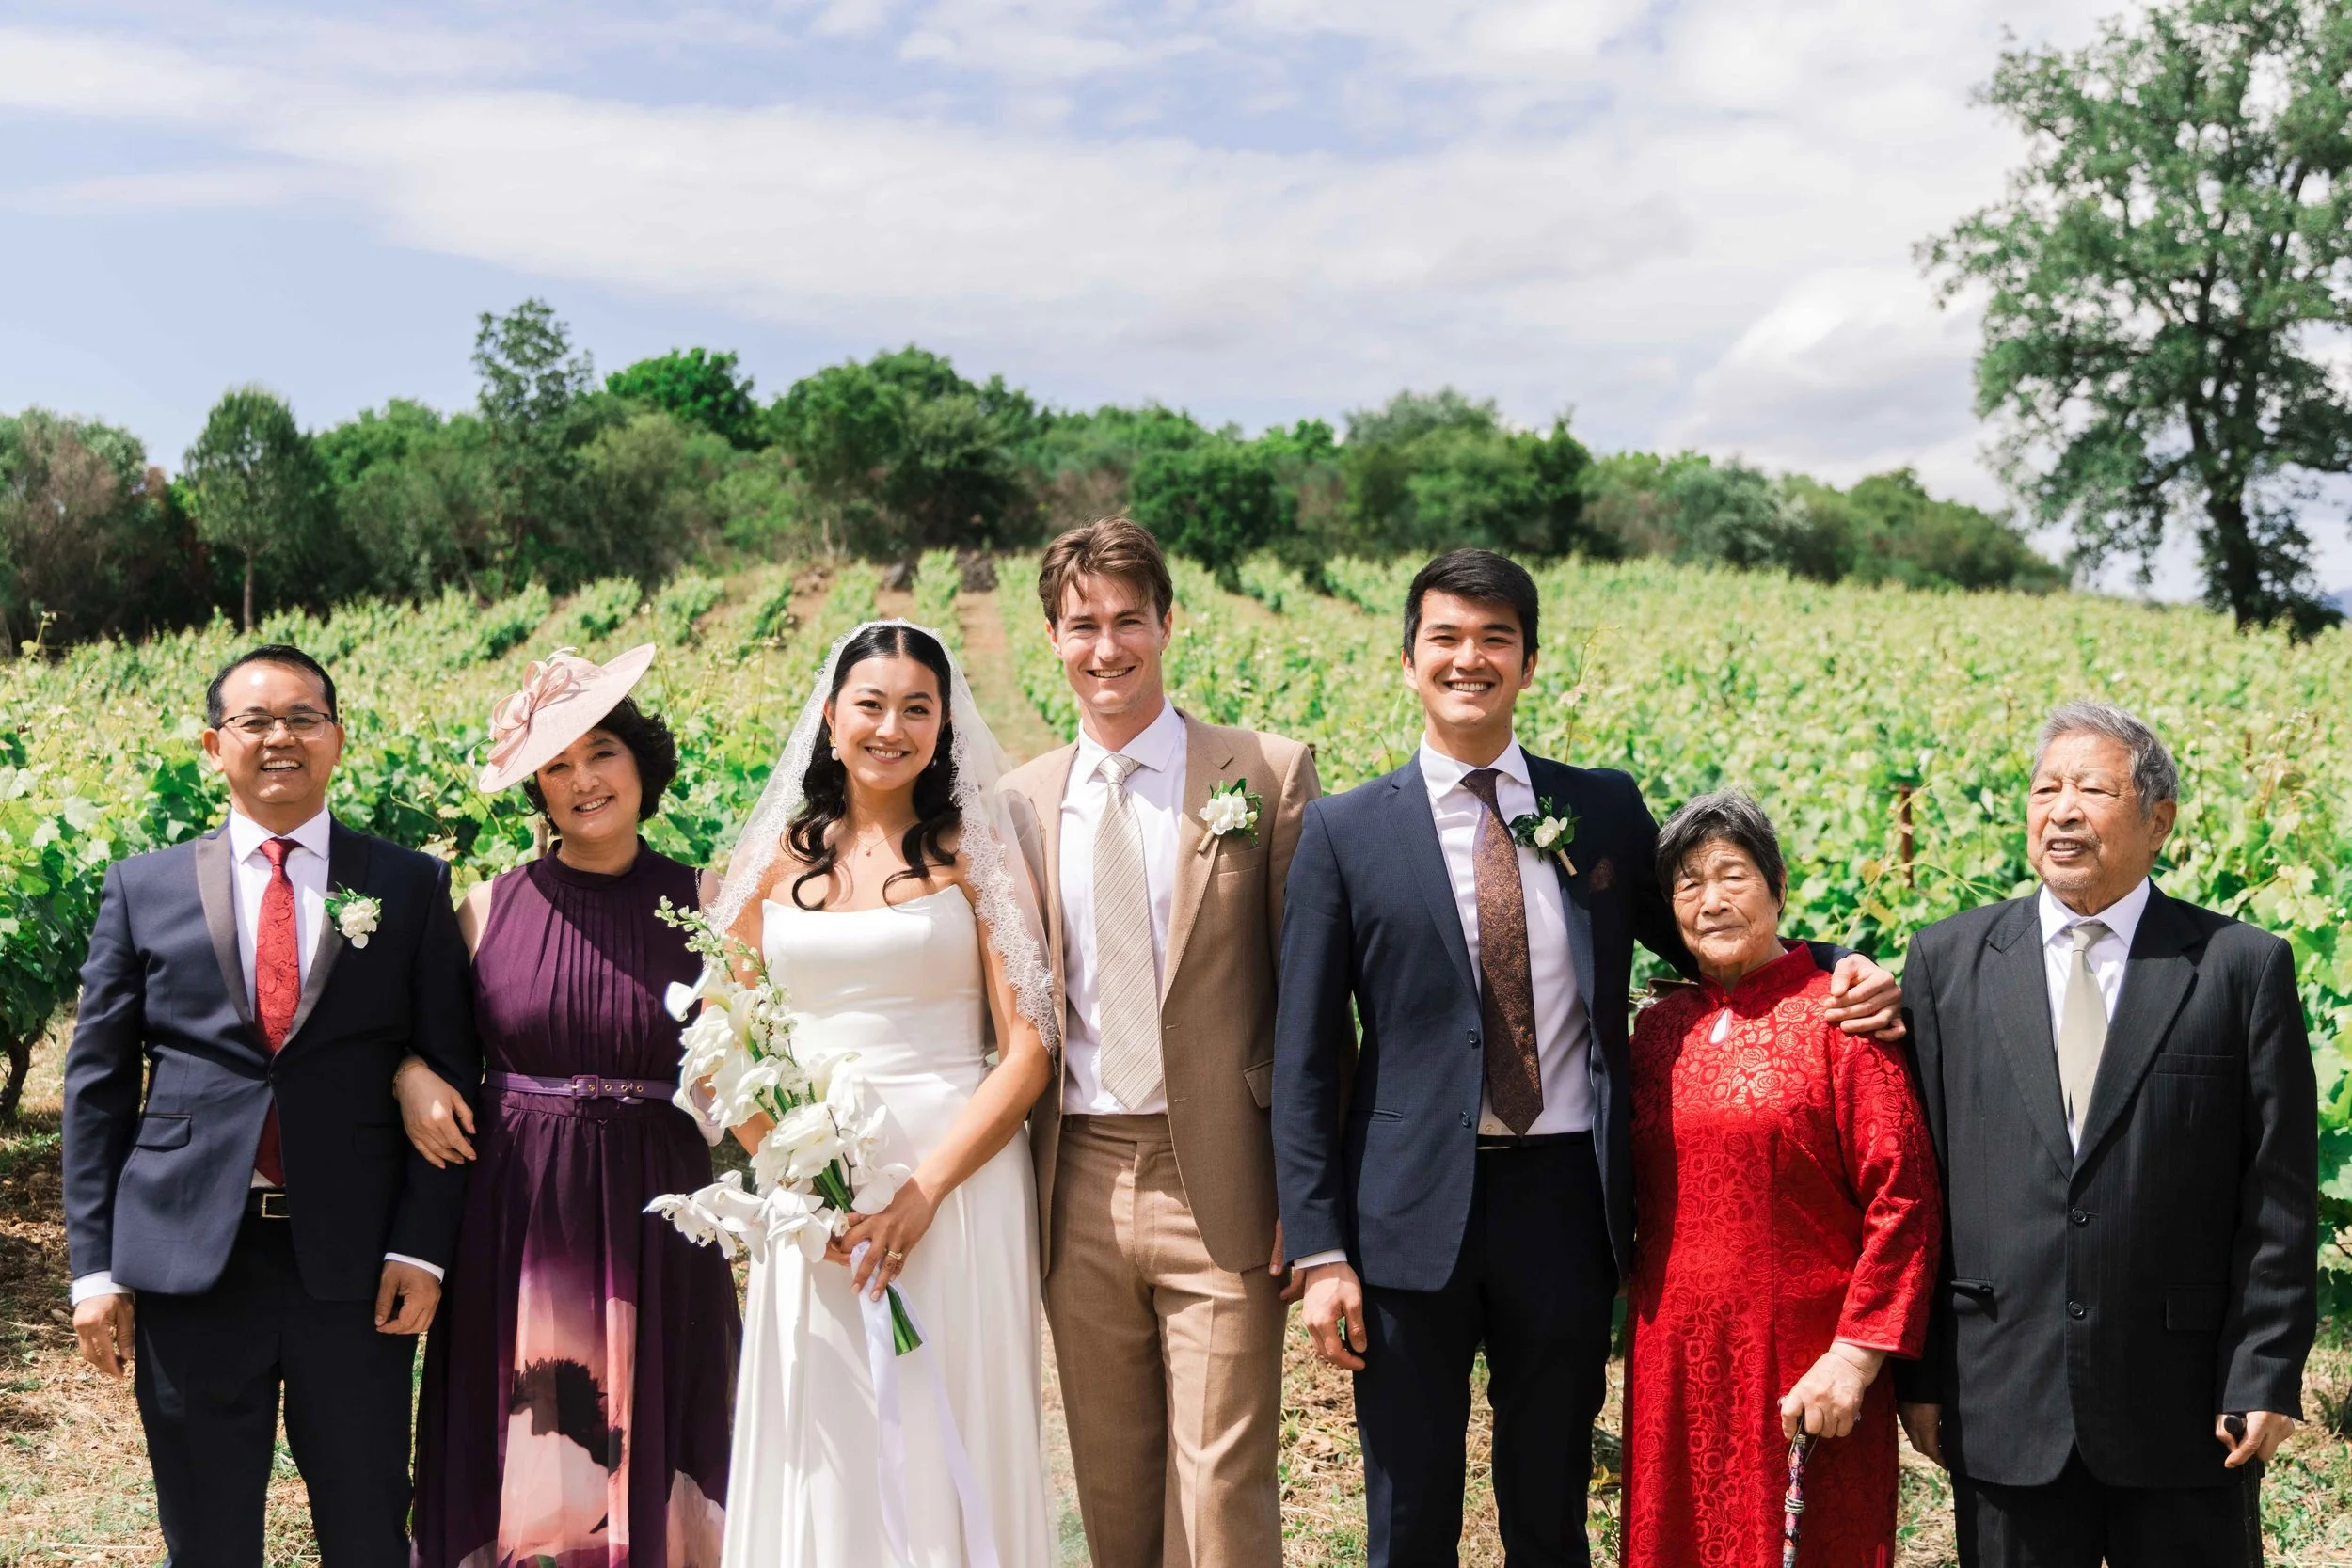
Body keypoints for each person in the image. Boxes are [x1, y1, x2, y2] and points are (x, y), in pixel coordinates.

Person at [1272, 549, 1905, 1568]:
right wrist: (1320, 1249)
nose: (1468, 658)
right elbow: (1305, 1052)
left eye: (1495, 639)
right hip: (1401, 1213)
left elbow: (1707, 932)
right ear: (1405, 660)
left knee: (1550, 1494)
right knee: (1407, 1507)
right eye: (1445, 637)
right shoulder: (1345, 831)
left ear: (1528, 662)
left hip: (1565, 1200)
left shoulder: (1600, 808)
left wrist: (1840, 966)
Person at [61, 643, 478, 1568]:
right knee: (207, 1535)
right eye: (254, 721)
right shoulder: (144, 886)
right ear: (215, 745)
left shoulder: (407, 884)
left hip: (357, 1261)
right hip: (189, 1258)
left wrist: (420, 1243)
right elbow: (94, 1092)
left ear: (338, 739)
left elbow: (451, 1069)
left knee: (368, 1525)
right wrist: (94, 1271)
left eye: (303, 718)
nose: (279, 737)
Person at [1895, 701, 2317, 1568]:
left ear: (2158, 820)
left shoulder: (2240, 966)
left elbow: (2277, 1194)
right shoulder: (1947, 962)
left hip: (2186, 1402)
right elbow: (1921, 1182)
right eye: (2046, 788)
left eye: (2093, 787)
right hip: (2004, 1389)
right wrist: (1925, 1374)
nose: (2063, 809)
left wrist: (2264, 1369)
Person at [691, 619, 1057, 1565]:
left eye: (916, 707)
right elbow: (716, 1047)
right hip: (809, 1190)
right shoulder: (775, 856)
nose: (890, 726)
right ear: (829, 714)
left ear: (943, 726)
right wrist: (801, 1172)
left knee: (954, 1415)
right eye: (870, 703)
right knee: (829, 1421)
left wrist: (923, 1191)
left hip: (958, 1178)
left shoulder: (972, 852)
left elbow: (1027, 1049)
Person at [997, 516, 1320, 1568]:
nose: (1107, 646)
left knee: (1221, 1488)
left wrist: (1304, 1194)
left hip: (1220, 1170)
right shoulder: (1018, 803)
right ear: (1052, 636)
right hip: (1076, 1176)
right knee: (1112, 1482)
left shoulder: (1264, 774)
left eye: (1127, 619)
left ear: (1167, 621)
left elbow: (1312, 1005)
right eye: (1081, 624)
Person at [395, 645, 741, 1568]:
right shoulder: (483, 908)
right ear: (536, 787)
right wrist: (407, 1073)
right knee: (532, 1430)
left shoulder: (706, 904)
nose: (584, 779)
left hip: (657, 1211)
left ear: (643, 763)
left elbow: (753, 1070)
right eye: (557, 763)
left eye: (603, 752)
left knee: (651, 1427)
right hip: (518, 1216)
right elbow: (409, 1040)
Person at [1621, 791, 1941, 1568]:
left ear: (1778, 884)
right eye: (1689, 883)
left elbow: (1905, 1199)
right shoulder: (1659, 1029)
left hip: (1807, 1371)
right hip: (1674, 1368)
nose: (1713, 899)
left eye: (1733, 874)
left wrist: (1856, 1358)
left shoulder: (1839, 1015)